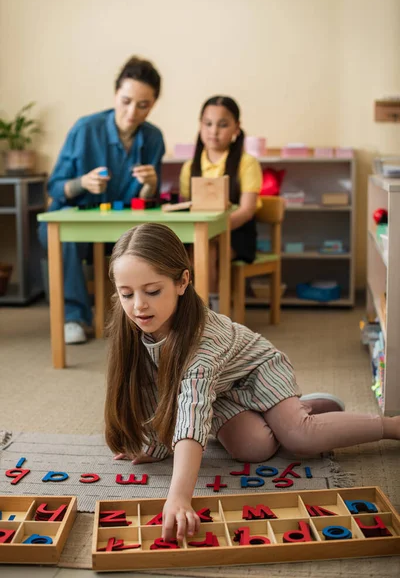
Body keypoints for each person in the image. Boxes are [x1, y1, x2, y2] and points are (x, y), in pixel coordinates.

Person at [105, 223, 400, 544]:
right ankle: (300, 410)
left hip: (258, 372)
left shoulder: (203, 340)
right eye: (126, 293)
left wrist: (179, 496)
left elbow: (191, 409)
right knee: (252, 449)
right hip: (220, 392)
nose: (138, 306)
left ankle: (389, 426)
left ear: (182, 281)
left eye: (152, 291)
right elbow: (152, 386)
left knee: (300, 437)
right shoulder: (131, 323)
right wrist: (160, 440)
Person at [38, 56, 165, 344]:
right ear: (115, 94)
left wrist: (150, 186)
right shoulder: (85, 129)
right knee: (63, 238)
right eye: (126, 101)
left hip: (121, 226)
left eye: (143, 105)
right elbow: (55, 187)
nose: (132, 112)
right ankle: (74, 317)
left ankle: (145, 317)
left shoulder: (154, 138)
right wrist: (82, 182)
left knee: (150, 238)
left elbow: (148, 202)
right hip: (74, 221)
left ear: (153, 104)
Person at [179, 96, 262, 310]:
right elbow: (186, 207)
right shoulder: (190, 166)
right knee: (184, 252)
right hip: (199, 233)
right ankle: (189, 307)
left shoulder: (247, 163)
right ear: (200, 125)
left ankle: (211, 311)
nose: (213, 131)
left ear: (236, 128)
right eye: (208, 123)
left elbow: (247, 210)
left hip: (237, 233)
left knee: (209, 249)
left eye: (222, 125)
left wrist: (215, 228)